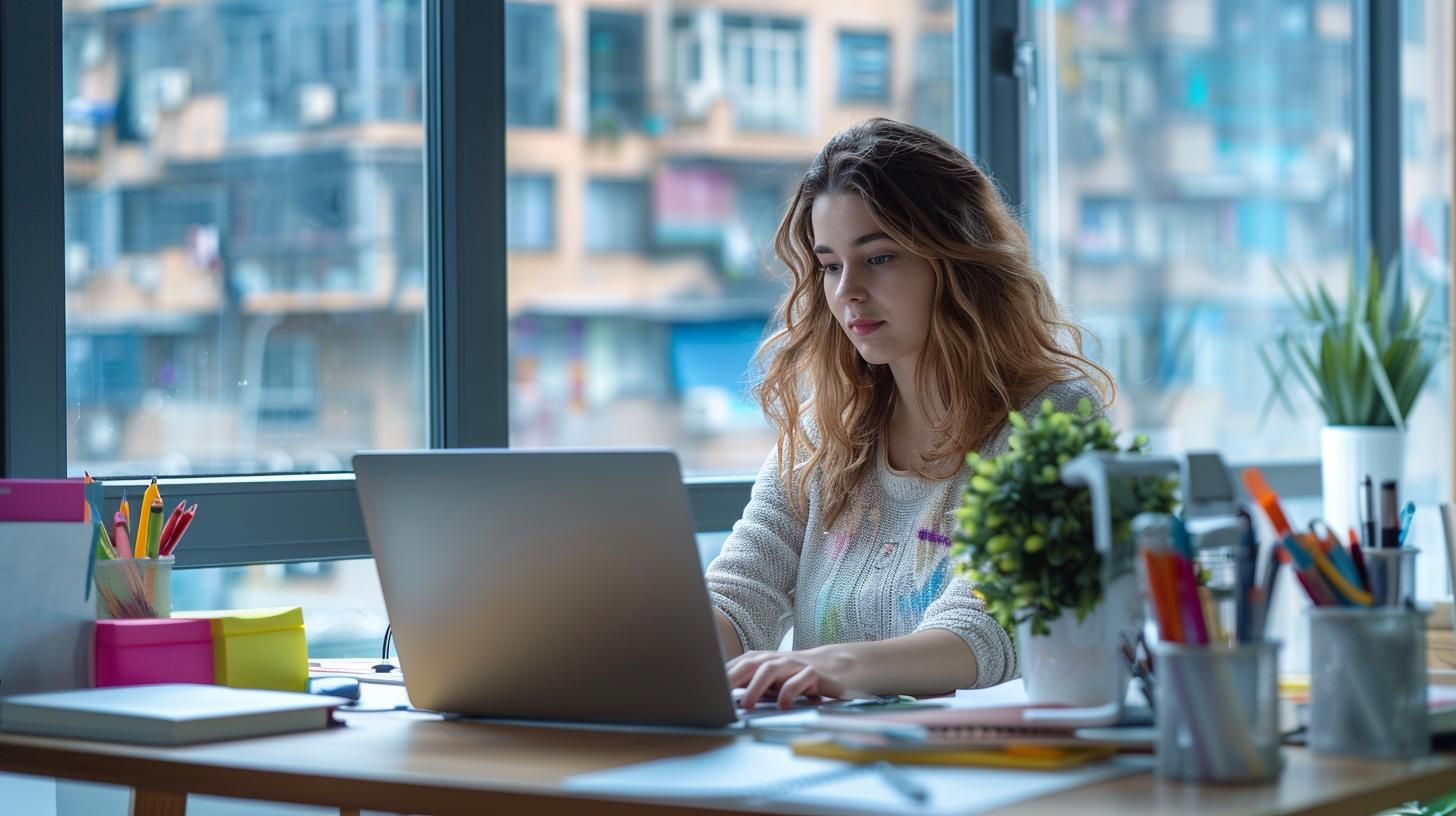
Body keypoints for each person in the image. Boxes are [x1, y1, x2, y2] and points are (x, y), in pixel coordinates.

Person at [706, 118, 1113, 710]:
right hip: (826, 776)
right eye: (830, 264)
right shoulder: (828, 434)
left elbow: (989, 627)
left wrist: (827, 666)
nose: (847, 291)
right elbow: (741, 595)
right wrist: (656, 650)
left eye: (880, 257)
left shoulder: (1052, 419)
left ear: (956, 260)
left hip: (975, 783)